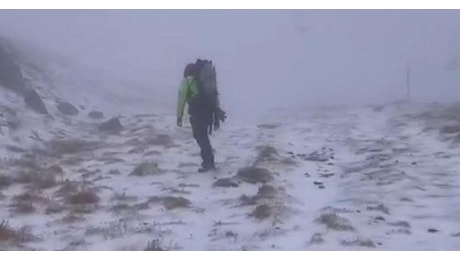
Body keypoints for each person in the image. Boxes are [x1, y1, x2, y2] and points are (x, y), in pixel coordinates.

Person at [177, 60, 226, 172]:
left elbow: (181, 98)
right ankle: (209, 161)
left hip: (197, 112)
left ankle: (208, 162)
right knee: (203, 136)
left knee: (200, 137)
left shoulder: (188, 81)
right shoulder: (203, 82)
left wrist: (179, 116)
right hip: (208, 111)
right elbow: (213, 95)